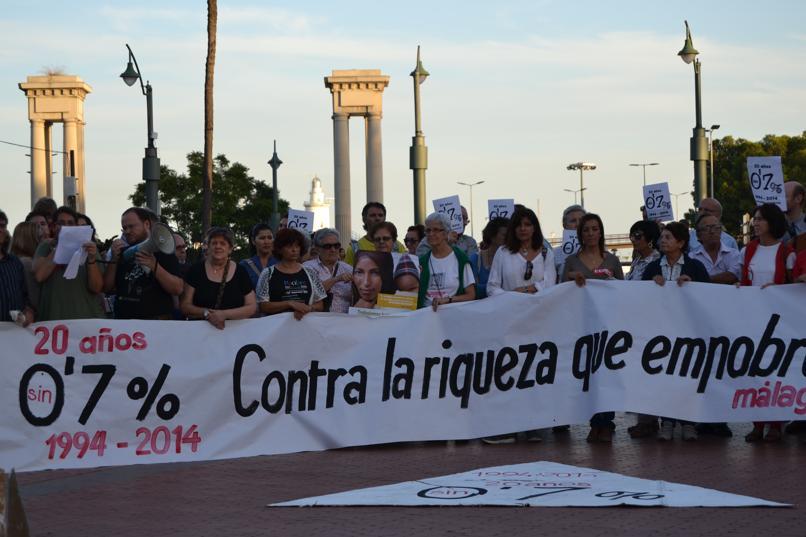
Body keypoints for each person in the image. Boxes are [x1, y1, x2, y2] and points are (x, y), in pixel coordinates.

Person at [642, 221, 710, 441]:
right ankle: (667, 422)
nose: (663, 240)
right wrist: (651, 285)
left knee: (687, 376)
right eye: (662, 237)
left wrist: (693, 286)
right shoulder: (652, 269)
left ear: (681, 242)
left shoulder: (695, 267)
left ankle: (688, 422)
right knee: (663, 377)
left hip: (687, 332)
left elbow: (709, 296)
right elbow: (639, 296)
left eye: (668, 237)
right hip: (660, 333)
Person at [561, 213, 624, 442]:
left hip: (607, 325)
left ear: (601, 232)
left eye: (594, 229)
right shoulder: (572, 261)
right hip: (581, 325)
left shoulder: (612, 261)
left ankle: (606, 422)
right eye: (586, 230)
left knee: (606, 373)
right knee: (588, 374)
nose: (590, 233)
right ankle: (594, 421)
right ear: (580, 234)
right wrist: (570, 276)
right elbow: (560, 291)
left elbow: (623, 291)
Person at [739, 204, 795, 443]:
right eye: (755, 219)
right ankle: (757, 423)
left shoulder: (786, 251)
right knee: (755, 372)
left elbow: (795, 287)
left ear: (772, 222)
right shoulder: (748, 250)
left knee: (776, 370)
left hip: (779, 321)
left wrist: (778, 290)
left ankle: (775, 423)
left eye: (760, 219)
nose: (755, 223)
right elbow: (743, 280)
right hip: (753, 320)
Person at [104, 207, 183, 320]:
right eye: (124, 228)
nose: (127, 231)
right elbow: (107, 288)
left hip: (155, 323)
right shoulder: (122, 253)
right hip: (124, 324)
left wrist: (154, 265)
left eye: (131, 226)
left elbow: (177, 289)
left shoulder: (163, 252)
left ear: (146, 224)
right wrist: (113, 260)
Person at [33, 206, 105, 321]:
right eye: (61, 223)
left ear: (76, 227)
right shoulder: (46, 247)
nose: (66, 226)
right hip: (54, 321)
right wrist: (59, 247)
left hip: (87, 319)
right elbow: (40, 276)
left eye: (70, 223)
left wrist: (91, 259)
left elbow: (96, 288)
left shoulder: (88, 247)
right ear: (54, 227)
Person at [181, 227, 256, 329]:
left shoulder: (240, 271)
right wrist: (207, 313)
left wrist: (224, 314)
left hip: (235, 332)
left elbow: (251, 306)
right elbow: (185, 306)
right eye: (214, 243)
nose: (218, 246)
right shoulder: (195, 270)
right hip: (200, 332)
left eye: (223, 243)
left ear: (230, 249)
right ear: (208, 247)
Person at [256, 228, 326, 320]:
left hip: (304, 325)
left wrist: (308, 308)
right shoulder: (267, 273)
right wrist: (289, 303)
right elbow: (263, 305)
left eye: (297, 246)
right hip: (276, 328)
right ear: (280, 249)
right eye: (289, 246)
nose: (294, 250)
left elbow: (320, 304)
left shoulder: (309, 272)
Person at [487, 207, 556, 297]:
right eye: (518, 225)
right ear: (513, 229)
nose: (523, 228)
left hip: (539, 309)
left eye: (527, 224)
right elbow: (492, 288)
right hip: (510, 308)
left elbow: (550, 284)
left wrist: (529, 289)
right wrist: (512, 295)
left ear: (534, 228)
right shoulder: (503, 252)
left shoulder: (546, 254)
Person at [417, 212, 476, 311]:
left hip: (452, 316)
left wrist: (448, 300)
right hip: (425, 317)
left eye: (436, 230)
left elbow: (471, 295)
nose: (431, 234)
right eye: (428, 230)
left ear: (446, 233)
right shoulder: (422, 261)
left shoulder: (461, 259)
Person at [303, 228, 353, 313]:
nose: (333, 249)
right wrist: (337, 279)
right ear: (317, 249)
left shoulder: (349, 269)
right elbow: (312, 292)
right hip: (318, 321)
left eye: (336, 246)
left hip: (345, 321)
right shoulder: (308, 267)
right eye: (328, 246)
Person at [690, 213, 742, 285]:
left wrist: (701, 279)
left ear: (721, 231)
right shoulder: (692, 258)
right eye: (707, 228)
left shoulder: (734, 254)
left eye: (716, 227)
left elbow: (733, 276)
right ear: (699, 235)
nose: (712, 231)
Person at [369, 222, 419, 292]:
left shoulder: (405, 260)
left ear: (394, 240)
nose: (381, 241)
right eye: (377, 239)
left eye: (386, 238)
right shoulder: (365, 262)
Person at [0, 228, 34, 326]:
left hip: (16, 332)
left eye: (2, 226)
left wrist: (28, 310)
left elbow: (24, 293)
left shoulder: (14, 261)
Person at [468, 217, 509, 299]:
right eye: (505, 235)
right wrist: (495, 288)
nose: (509, 238)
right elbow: (471, 291)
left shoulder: (512, 260)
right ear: (492, 236)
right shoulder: (475, 260)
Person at [11, 221, 42, 312]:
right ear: (30, 239)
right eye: (39, 238)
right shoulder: (27, 262)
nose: (42, 242)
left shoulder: (13, 261)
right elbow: (35, 298)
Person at [240, 223, 277, 290]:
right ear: (253, 241)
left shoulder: (280, 263)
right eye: (262, 238)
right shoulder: (244, 265)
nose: (266, 242)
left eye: (269, 238)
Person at [554, 205, 586, 278]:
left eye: (581, 220)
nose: (578, 224)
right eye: (573, 221)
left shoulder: (598, 251)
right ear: (564, 225)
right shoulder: (554, 254)